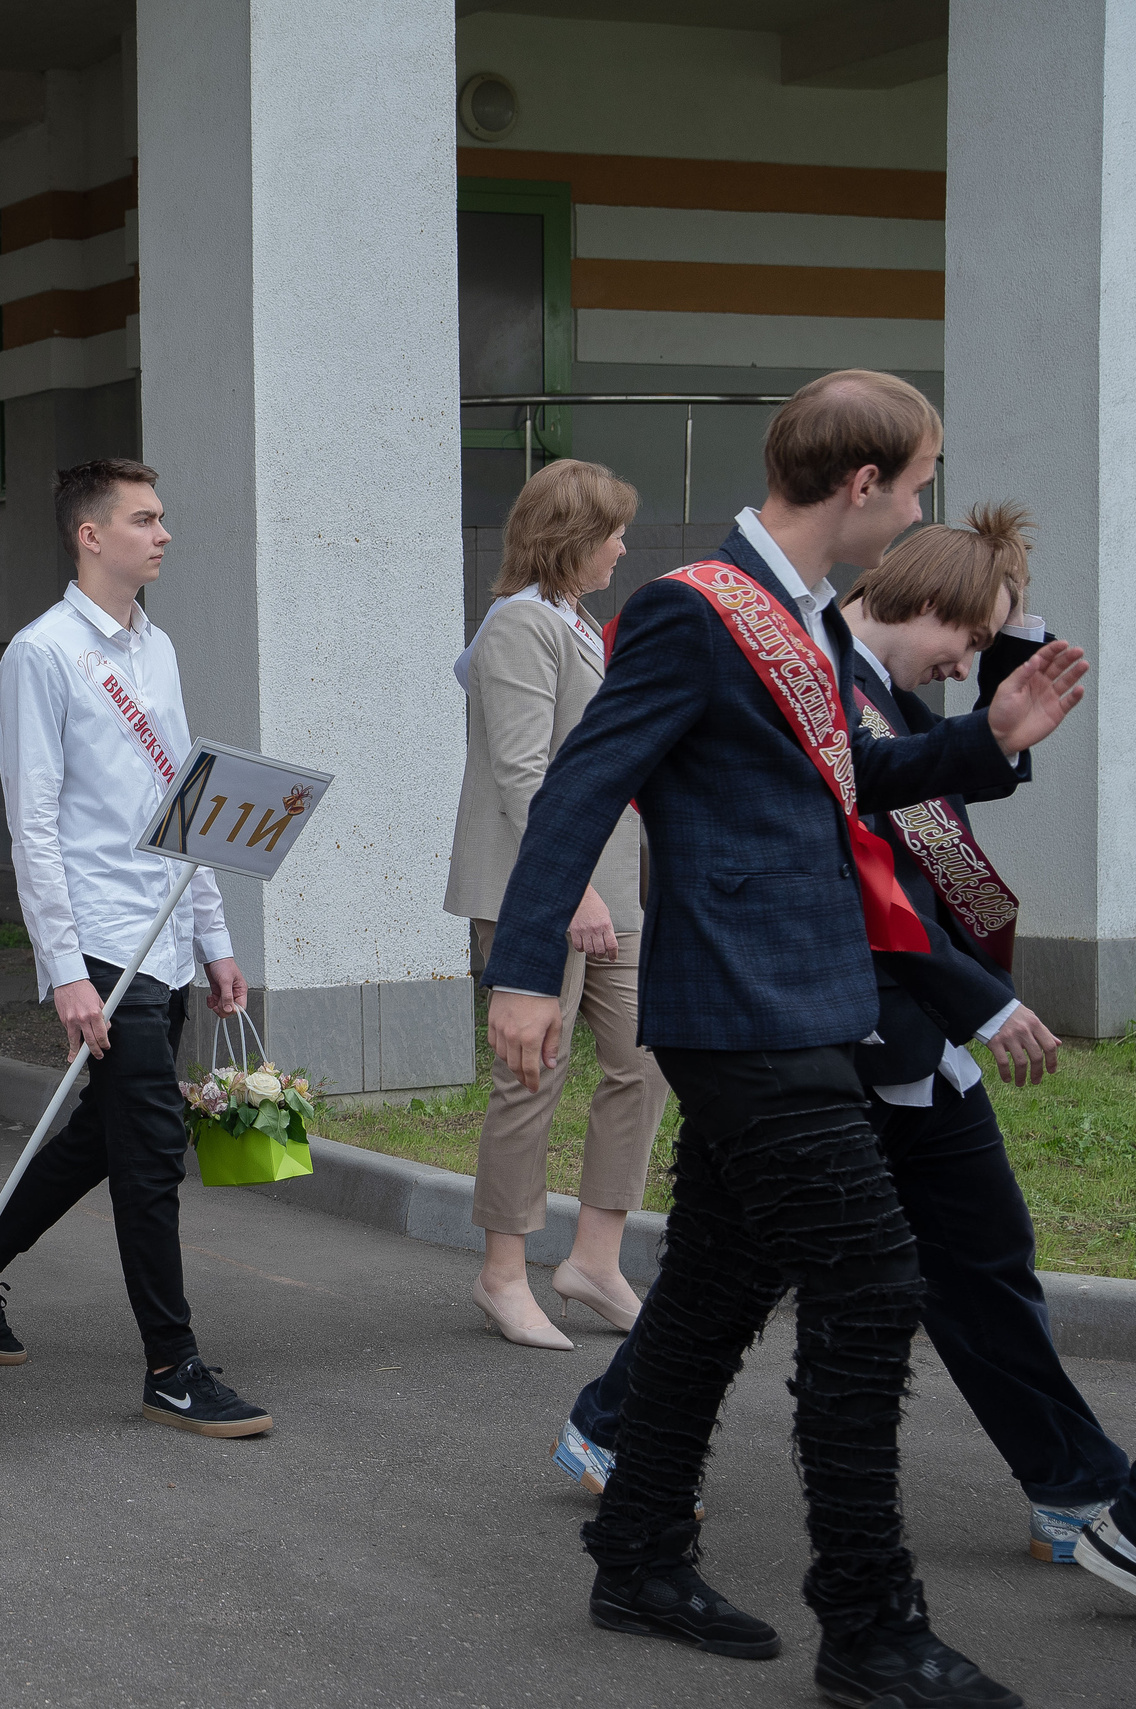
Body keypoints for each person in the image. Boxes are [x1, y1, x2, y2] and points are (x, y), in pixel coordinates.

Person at [483, 371, 1087, 1702]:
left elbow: (850, 781)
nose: (924, 504)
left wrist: (985, 736)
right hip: (740, 1005)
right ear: (863, 486)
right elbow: (587, 781)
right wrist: (525, 970)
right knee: (873, 1283)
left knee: (710, 1284)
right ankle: (871, 1630)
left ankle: (636, 1550)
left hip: (810, 994)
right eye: (918, 480)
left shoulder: (805, 622)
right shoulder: (696, 611)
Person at [555, 504, 1136, 1612]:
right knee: (812, 1276)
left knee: (920, 1258)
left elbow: (919, 821)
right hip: (811, 1016)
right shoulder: (775, 647)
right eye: (963, 641)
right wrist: (979, 1000)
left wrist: (999, 718)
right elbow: (860, 880)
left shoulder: (875, 681)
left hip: (885, 1026)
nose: (967, 667)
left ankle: (1064, 1490)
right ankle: (865, 1593)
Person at [0, 460, 263, 1435]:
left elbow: (192, 809)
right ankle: (171, 1365)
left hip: (168, 936)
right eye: (144, 517)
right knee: (148, 1145)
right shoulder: (40, 655)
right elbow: (35, 827)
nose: (164, 532)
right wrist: (63, 969)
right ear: (90, 535)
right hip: (101, 941)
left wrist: (215, 936)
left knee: (104, 1134)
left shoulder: (159, 648)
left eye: (163, 516)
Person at [445, 460, 667, 1348]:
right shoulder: (520, 626)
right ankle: (503, 1274)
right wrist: (567, 887)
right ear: (571, 537)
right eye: (612, 530)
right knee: (531, 1076)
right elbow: (524, 773)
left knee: (644, 1059)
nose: (623, 545)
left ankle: (594, 1261)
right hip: (542, 888)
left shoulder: (571, 621)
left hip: (611, 884)